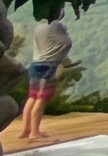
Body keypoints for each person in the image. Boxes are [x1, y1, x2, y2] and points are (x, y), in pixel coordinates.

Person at [19, 15, 70, 143]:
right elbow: (65, 35)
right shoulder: (55, 26)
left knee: (32, 97)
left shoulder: (40, 26)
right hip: (49, 66)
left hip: (35, 64)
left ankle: (27, 129)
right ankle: (34, 132)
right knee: (41, 99)